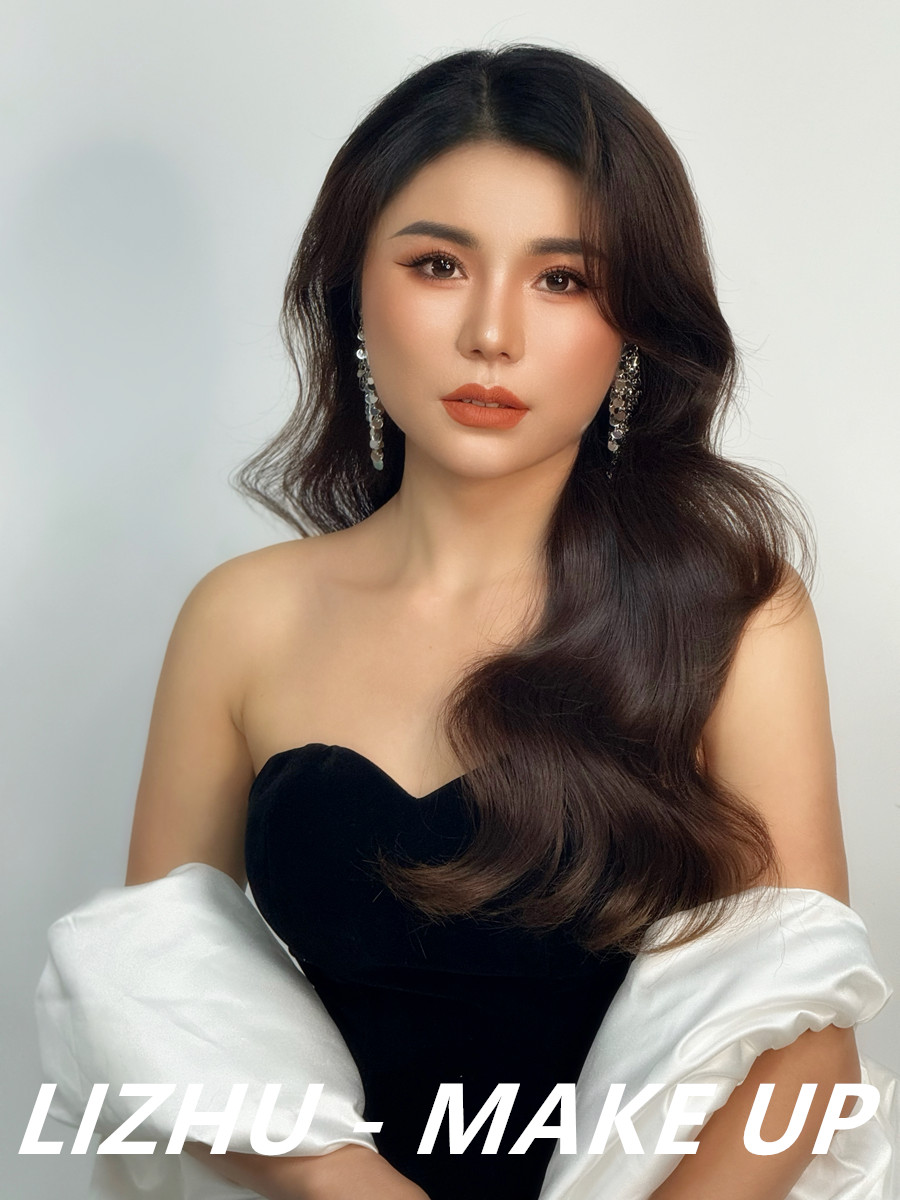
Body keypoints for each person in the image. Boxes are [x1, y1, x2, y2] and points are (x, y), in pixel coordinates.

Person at [34, 44, 896, 1200]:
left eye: (563, 279)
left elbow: (807, 1048)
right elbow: (150, 1012)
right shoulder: (243, 619)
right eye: (439, 264)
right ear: (354, 292)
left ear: (635, 329)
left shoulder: (732, 612)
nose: (493, 332)